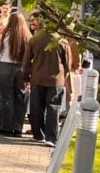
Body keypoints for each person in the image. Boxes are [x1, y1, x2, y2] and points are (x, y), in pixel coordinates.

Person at [21, 13, 72, 147]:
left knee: (36, 107)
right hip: (56, 79)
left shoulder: (34, 40)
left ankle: (38, 134)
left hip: (37, 78)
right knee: (53, 108)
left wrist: (25, 77)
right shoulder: (62, 41)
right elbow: (68, 63)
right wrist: (65, 77)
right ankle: (51, 137)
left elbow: (26, 62)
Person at [0, 12, 31, 137]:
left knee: (6, 98)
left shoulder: (4, 36)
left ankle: (6, 127)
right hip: (21, 67)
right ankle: (17, 128)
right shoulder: (28, 37)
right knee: (20, 98)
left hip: (4, 66)